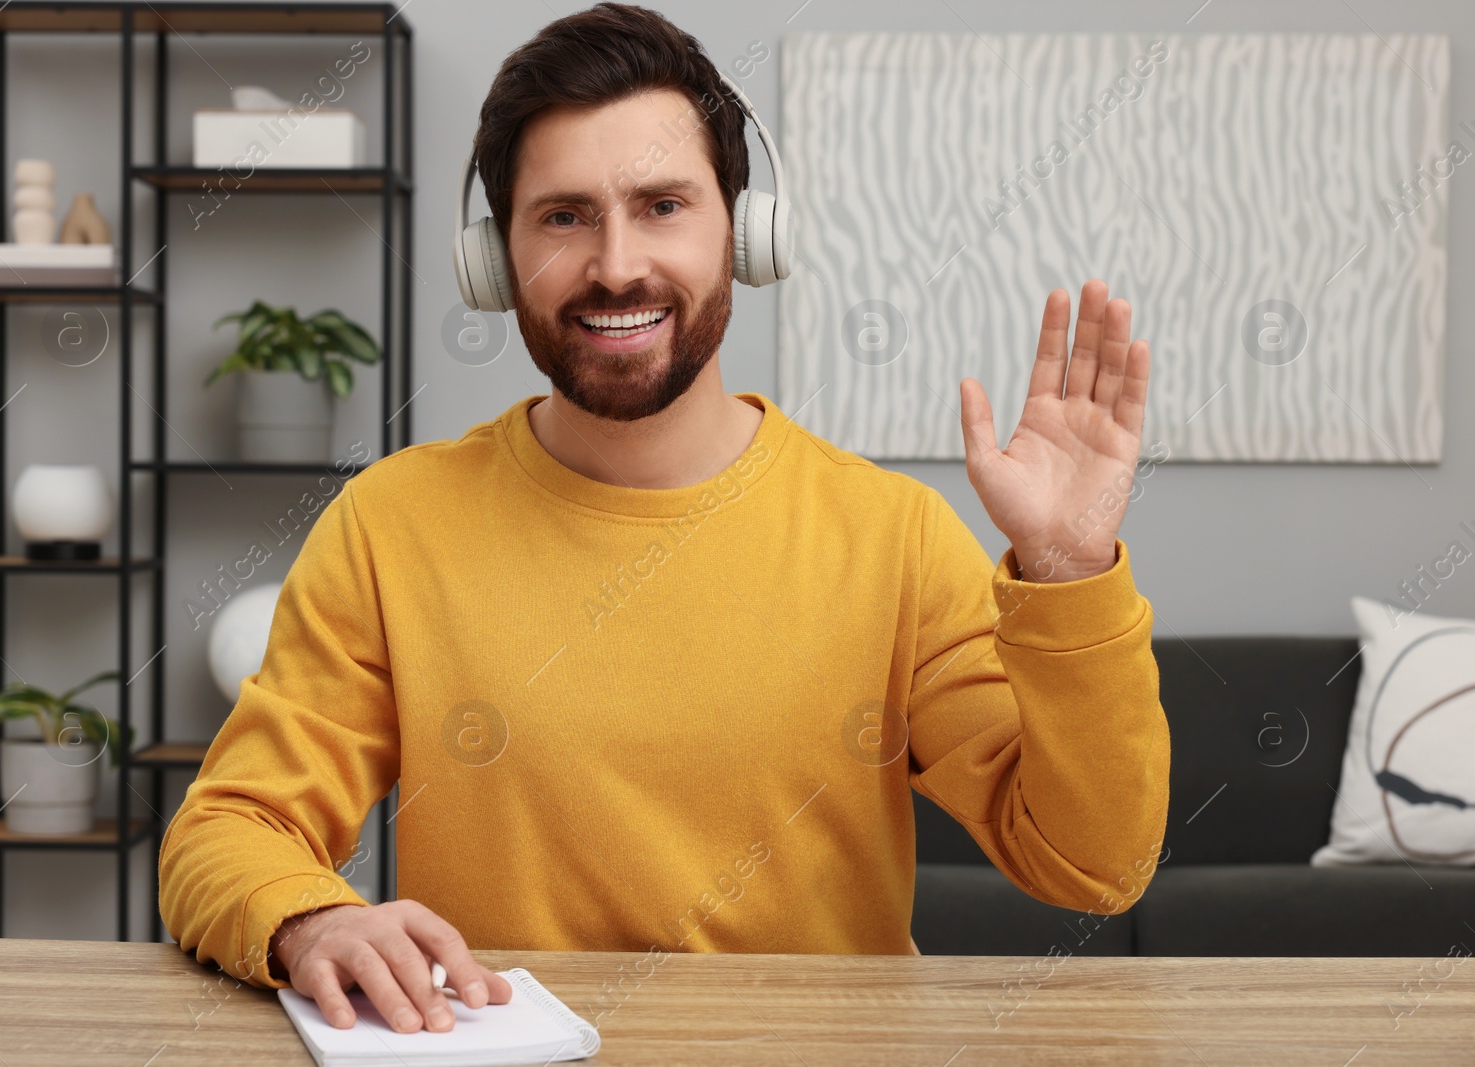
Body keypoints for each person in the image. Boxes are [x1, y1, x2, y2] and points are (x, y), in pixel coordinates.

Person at [159, 2, 1170, 1038]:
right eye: (562, 215)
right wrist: (310, 919)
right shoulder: (392, 524)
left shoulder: (892, 536)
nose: (615, 265)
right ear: (494, 258)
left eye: (662, 205)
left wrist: (1068, 570)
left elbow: (1095, 865)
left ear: (743, 229)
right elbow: (230, 824)